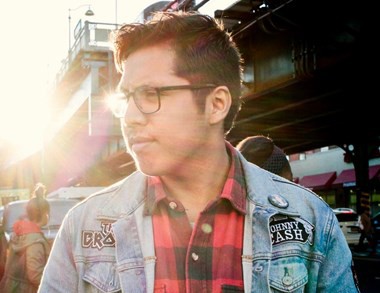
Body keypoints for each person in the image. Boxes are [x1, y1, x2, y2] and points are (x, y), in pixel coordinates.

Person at [39, 11, 359, 292]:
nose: (130, 117)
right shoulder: (84, 227)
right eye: (125, 98)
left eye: (150, 94)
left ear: (216, 104)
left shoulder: (312, 221)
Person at [0, 184, 50, 292]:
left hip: (10, 287)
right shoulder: (35, 241)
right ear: (45, 214)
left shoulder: (18, 233)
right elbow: (35, 275)